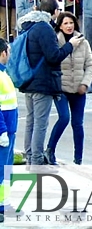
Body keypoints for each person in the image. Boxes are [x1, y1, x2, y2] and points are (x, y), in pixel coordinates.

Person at [19, 0, 78, 166]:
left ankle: (30, 156)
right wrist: (70, 45)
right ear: (56, 12)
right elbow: (54, 56)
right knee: (40, 122)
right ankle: (36, 159)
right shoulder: (44, 28)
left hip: (28, 80)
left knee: (31, 120)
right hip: (42, 83)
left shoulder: (27, 26)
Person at [45, 12, 92, 165]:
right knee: (64, 118)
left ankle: (78, 159)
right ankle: (50, 150)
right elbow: (51, 62)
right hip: (62, 89)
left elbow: (90, 65)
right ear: (60, 25)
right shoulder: (55, 41)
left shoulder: (83, 42)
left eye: (71, 23)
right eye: (65, 23)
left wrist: (85, 83)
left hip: (79, 89)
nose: (69, 26)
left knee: (78, 124)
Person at [0, 38, 15, 220]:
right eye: (8, 51)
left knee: (6, 170)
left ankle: (4, 204)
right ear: (3, 53)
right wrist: (1, 131)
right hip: (3, 131)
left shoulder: (4, 73)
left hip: (9, 130)